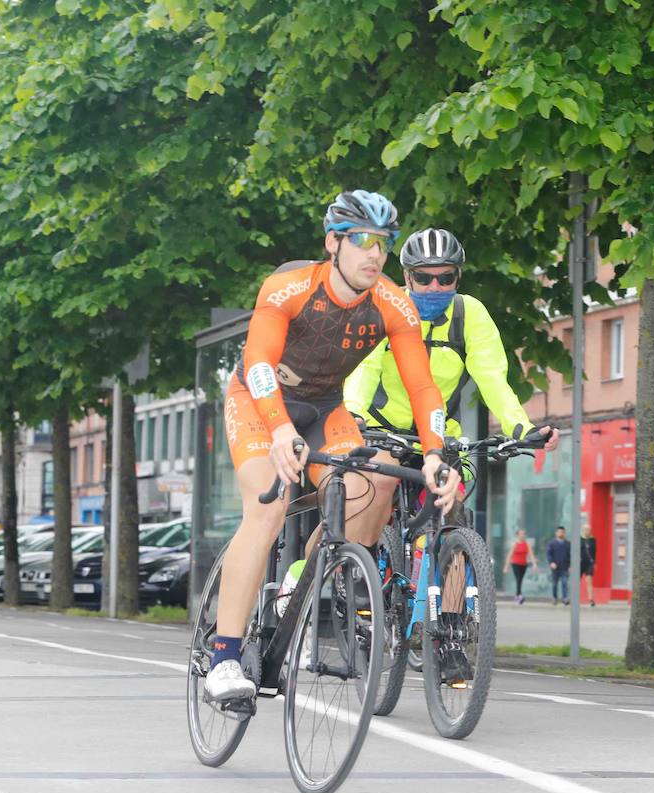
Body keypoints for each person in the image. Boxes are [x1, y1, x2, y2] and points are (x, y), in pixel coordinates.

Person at [206, 190, 460, 701]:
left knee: (379, 474)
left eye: (383, 243)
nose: (375, 254)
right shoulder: (288, 288)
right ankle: (224, 656)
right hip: (260, 401)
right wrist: (279, 429)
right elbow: (258, 362)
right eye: (362, 241)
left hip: (324, 409)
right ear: (333, 243)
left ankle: (304, 590)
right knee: (269, 506)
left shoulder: (393, 304)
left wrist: (435, 452)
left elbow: (423, 387)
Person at [344, 227, 560, 455]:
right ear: (407, 277)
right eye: (423, 277)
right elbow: (365, 367)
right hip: (377, 434)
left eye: (445, 278)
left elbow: (492, 378)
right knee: (378, 483)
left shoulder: (469, 313)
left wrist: (521, 429)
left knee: (451, 491)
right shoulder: (384, 306)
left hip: (441, 437)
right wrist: (353, 412)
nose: (435, 287)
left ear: (458, 277)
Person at [507, 528, 534, 604]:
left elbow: (531, 554)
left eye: (524, 534)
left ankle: (517, 596)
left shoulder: (527, 544)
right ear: (517, 535)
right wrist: (506, 567)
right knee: (518, 579)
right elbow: (510, 555)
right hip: (515, 564)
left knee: (520, 579)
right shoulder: (515, 544)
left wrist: (534, 564)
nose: (523, 535)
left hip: (523, 564)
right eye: (521, 534)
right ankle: (519, 596)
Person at [546, 526, 571, 605]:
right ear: (556, 533)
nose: (561, 533)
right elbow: (549, 554)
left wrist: (570, 566)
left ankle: (565, 598)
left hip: (565, 567)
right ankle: (554, 598)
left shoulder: (568, 544)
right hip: (555, 567)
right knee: (555, 583)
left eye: (562, 532)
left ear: (564, 533)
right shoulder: (552, 543)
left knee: (564, 583)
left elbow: (570, 555)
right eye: (559, 532)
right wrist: (551, 562)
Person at [579, 525, 597, 606]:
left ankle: (591, 599)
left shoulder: (593, 540)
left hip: (589, 563)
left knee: (589, 581)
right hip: (580, 562)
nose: (587, 531)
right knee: (576, 582)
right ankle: (573, 598)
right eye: (586, 530)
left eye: (589, 530)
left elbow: (594, 552)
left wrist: (594, 563)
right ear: (583, 530)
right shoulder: (579, 539)